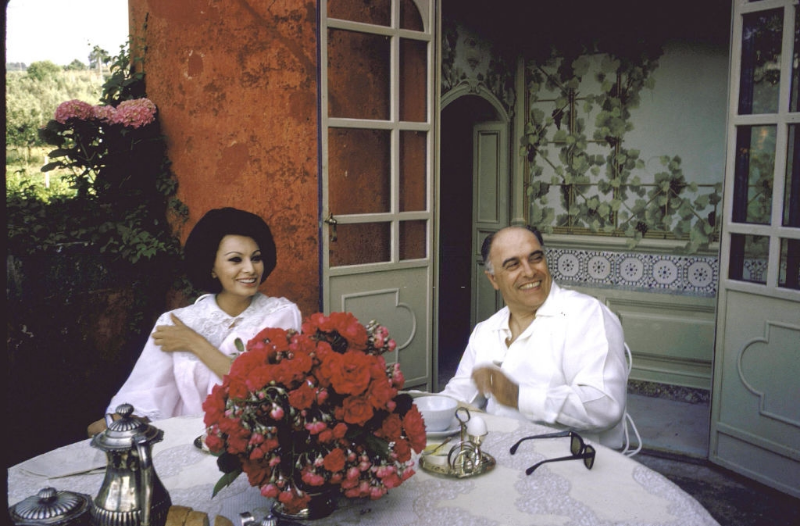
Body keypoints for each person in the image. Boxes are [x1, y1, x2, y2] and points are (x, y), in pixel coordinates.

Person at [87, 208, 302, 436]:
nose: (250, 269)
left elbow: (265, 390)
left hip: (255, 437)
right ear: (211, 267)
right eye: (236, 260)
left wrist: (195, 343)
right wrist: (115, 422)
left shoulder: (280, 314)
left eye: (256, 258)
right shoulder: (177, 322)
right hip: (187, 437)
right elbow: (148, 391)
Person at [441, 225, 628, 448]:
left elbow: (605, 406)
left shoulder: (586, 315)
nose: (529, 272)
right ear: (493, 280)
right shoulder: (487, 330)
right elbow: (461, 394)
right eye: (513, 265)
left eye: (535, 258)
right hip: (496, 455)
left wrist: (519, 396)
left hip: (572, 462)